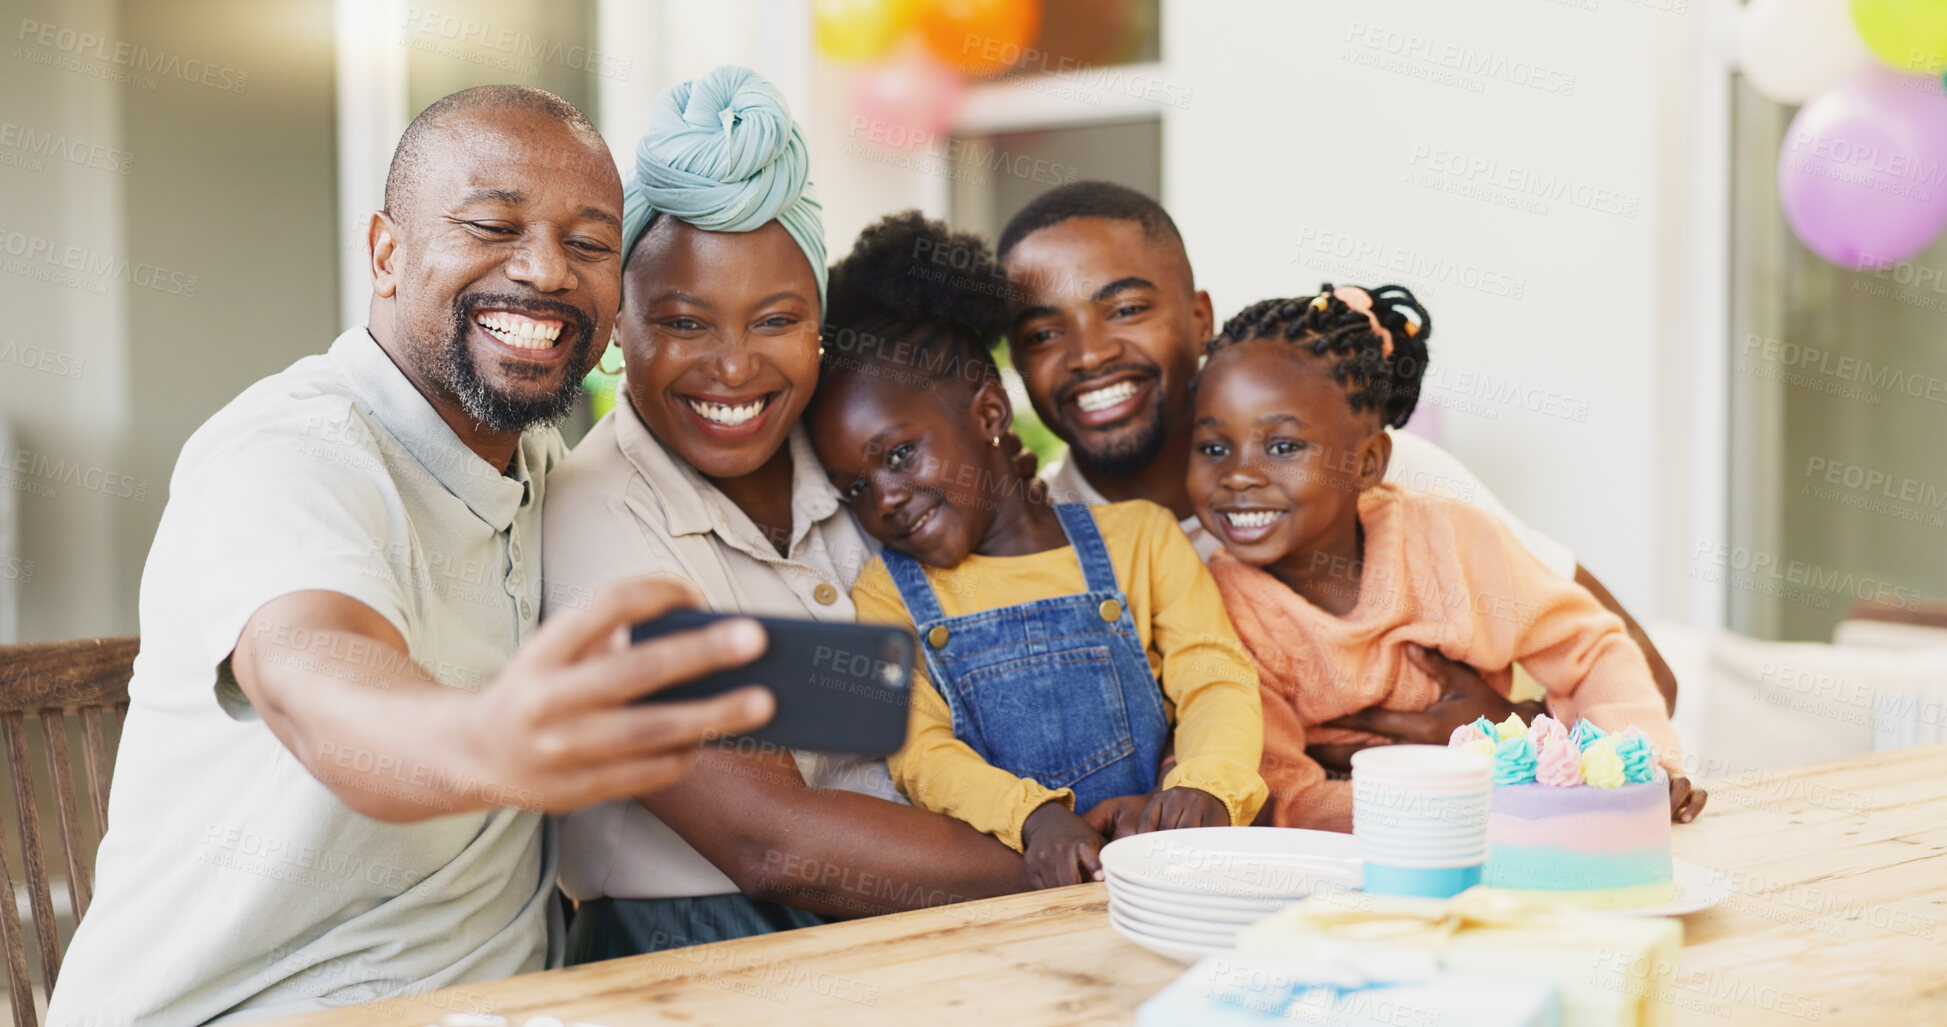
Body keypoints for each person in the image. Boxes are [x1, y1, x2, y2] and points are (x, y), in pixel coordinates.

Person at [45, 87, 781, 1024]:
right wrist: (492, 737)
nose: (547, 270)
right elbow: (321, 683)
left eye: (591, 245)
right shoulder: (289, 454)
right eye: (491, 225)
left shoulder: (547, 472)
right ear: (386, 254)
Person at [542, 68, 1029, 964]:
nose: (732, 368)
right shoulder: (592, 519)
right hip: (693, 949)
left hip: (935, 920)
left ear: (818, 325)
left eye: (774, 320)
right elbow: (773, 842)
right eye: (686, 324)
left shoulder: (861, 465)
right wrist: (1071, 861)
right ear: (618, 323)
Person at [994, 181, 1680, 764]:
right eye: (1042, 334)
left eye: (1125, 309)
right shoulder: (1042, 551)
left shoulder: (1386, 482)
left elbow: (1639, 674)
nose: (1088, 354)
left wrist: (1508, 737)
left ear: (1199, 318)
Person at [808, 212, 1267, 888]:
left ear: (990, 414)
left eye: (899, 454)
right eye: (854, 487)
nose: (885, 499)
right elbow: (918, 750)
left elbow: (1214, 680)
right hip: (1014, 901)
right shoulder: (886, 591)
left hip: (1164, 872)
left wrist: (1204, 787)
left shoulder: (1139, 537)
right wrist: (1033, 820)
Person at [1188, 287, 1704, 829]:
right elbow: (1284, 796)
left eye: (1283, 447)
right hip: (1369, 858)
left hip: (1525, 830)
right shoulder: (1223, 609)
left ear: (1367, 463)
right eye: (1214, 448)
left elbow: (1592, 647)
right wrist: (1447, 804)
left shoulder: (1450, 543)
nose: (1239, 474)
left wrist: (1636, 771)